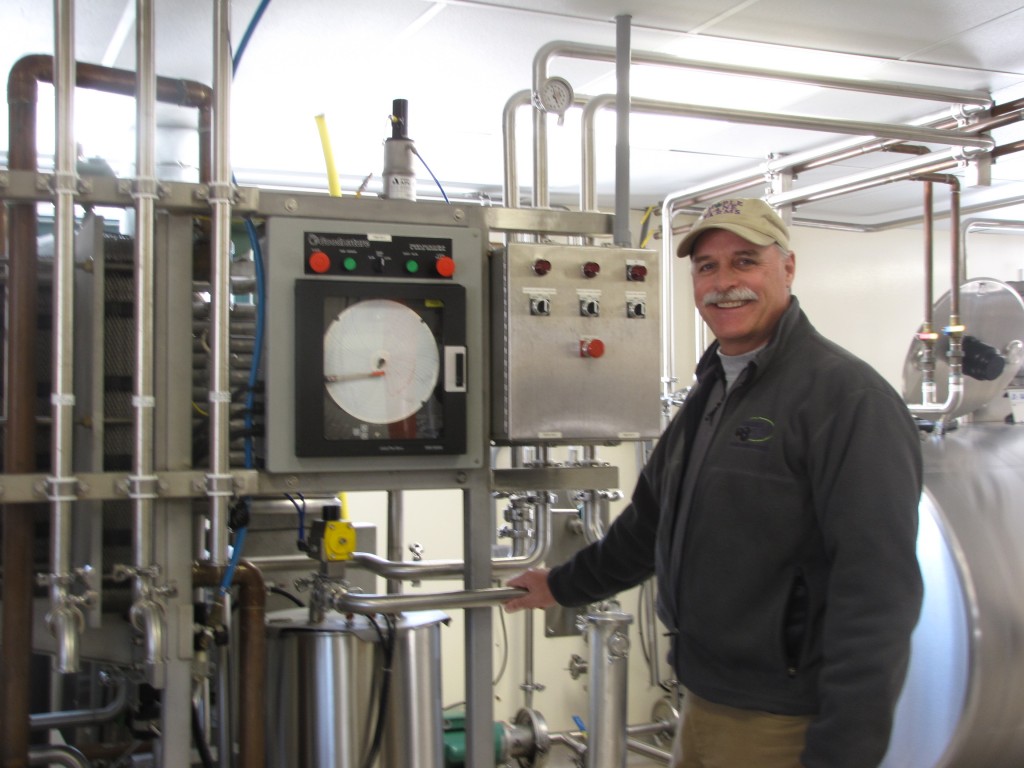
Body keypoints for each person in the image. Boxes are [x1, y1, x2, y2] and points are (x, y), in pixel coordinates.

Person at [504, 198, 924, 768]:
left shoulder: (846, 400)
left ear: (788, 268)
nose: (724, 283)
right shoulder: (711, 392)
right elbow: (646, 528)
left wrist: (845, 752)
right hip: (701, 702)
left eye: (745, 261)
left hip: (781, 720)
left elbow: (877, 594)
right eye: (707, 267)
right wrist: (561, 585)